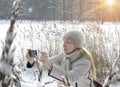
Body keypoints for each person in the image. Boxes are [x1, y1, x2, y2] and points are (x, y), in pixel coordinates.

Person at [26, 30, 96, 87]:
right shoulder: (63, 55)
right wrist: (32, 62)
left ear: (77, 45)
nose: (63, 45)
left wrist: (49, 65)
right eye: (64, 42)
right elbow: (42, 67)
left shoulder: (84, 62)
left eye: (68, 42)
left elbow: (70, 78)